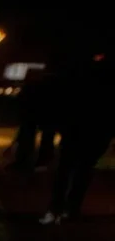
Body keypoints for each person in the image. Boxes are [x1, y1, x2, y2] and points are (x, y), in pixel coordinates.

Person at [42, 53, 115, 224]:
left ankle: (57, 207)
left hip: (76, 131)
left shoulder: (78, 84)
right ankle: (70, 207)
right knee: (83, 170)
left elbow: (65, 105)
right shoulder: (106, 89)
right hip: (94, 132)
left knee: (66, 169)